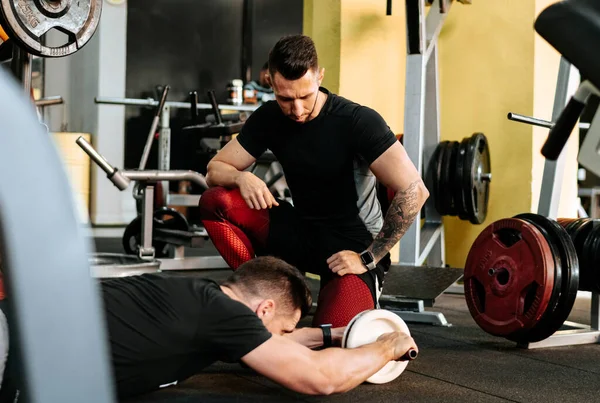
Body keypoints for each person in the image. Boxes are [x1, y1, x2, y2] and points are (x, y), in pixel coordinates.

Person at [199, 34, 429, 328]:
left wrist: (369, 257)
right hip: (303, 233)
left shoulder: (357, 121)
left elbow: (415, 190)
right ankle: (259, 287)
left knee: (333, 340)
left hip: (352, 249)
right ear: (271, 83)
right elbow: (214, 169)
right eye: (285, 99)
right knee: (216, 201)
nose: (296, 110)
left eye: (305, 97)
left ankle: (344, 295)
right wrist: (240, 176)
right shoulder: (269, 118)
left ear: (320, 76)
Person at [0, 257, 418, 400]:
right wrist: (387, 345)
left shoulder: (205, 297)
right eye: (281, 327)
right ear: (265, 308)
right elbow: (320, 378)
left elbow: (279, 342)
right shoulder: (225, 317)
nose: (281, 339)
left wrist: (339, 336)